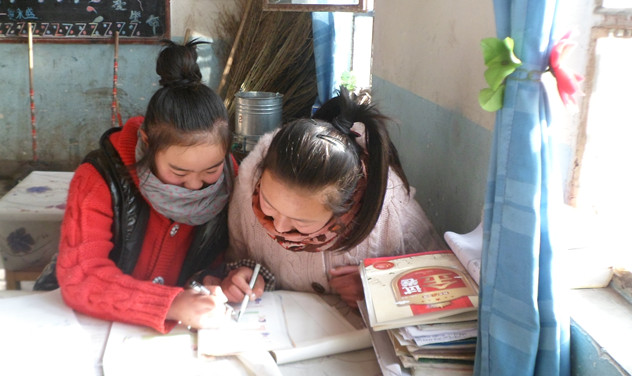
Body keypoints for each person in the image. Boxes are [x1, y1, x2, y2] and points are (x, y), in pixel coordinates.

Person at [42, 39, 236, 333]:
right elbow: (81, 276)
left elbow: (222, 257)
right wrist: (171, 304)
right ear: (147, 143)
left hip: (179, 331)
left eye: (211, 170)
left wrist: (220, 277)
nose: (195, 185)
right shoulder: (99, 178)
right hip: (90, 324)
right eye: (179, 172)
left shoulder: (231, 179)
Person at [220, 89, 446, 309]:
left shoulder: (390, 208)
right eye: (268, 208)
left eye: (300, 223)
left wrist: (382, 287)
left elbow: (444, 277)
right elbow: (235, 258)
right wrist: (240, 276)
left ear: (344, 208)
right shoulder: (249, 184)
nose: (278, 227)